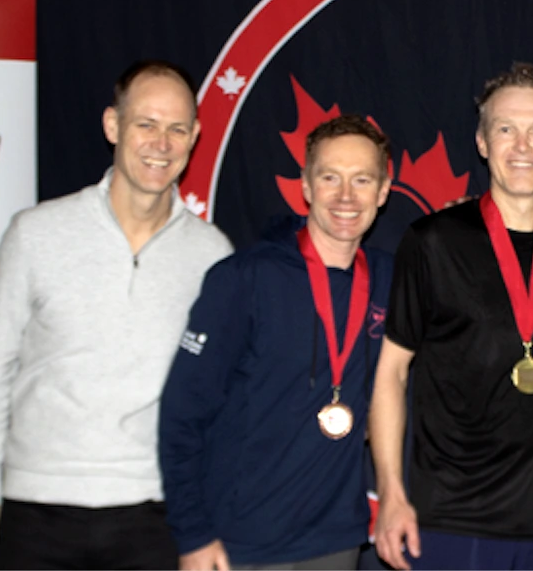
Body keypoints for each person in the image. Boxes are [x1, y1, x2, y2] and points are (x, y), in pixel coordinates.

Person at [0, 60, 233, 570]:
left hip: (154, 515)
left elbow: (215, 400)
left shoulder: (212, 254)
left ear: (195, 137)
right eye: (146, 125)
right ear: (113, 125)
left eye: (177, 129)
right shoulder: (36, 234)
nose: (162, 143)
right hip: (36, 509)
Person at [370, 62, 533, 571]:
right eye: (506, 129)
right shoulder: (432, 241)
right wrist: (392, 493)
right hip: (450, 520)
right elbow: (391, 373)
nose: (522, 146)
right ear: (483, 142)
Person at [157, 115, 393, 570]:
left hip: (335, 542)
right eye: (330, 178)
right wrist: (192, 535)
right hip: (239, 544)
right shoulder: (243, 279)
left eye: (362, 180)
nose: (346, 196)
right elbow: (181, 415)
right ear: (305, 186)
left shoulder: (389, 278)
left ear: (383, 192)